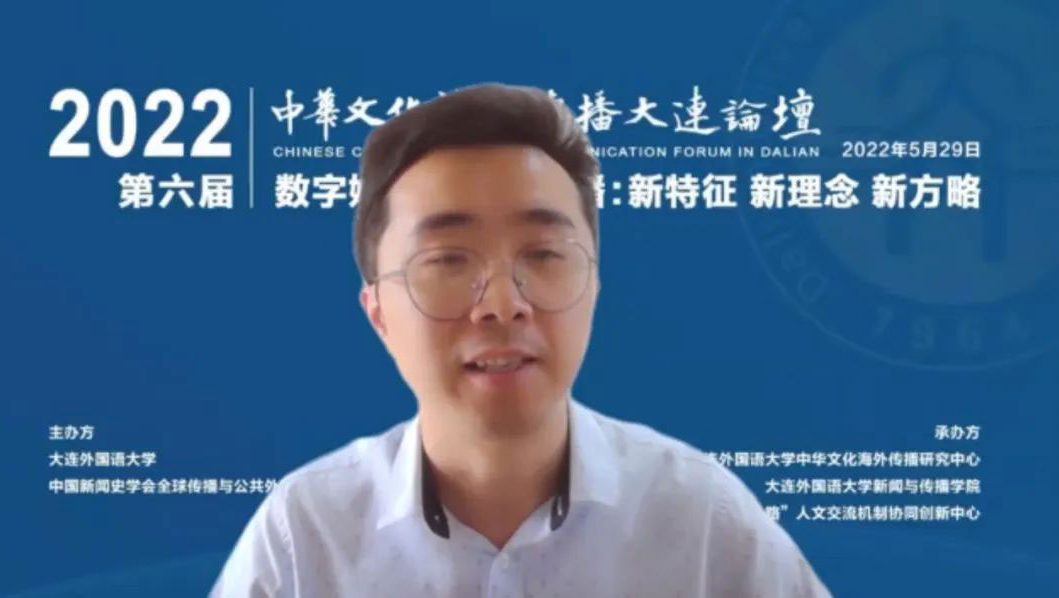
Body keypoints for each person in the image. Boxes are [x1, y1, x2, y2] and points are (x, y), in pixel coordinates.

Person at [209, 82, 833, 598]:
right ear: (379, 316)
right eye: (447, 261)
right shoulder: (304, 536)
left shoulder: (703, 521)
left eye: (543, 254)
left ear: (594, 288)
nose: (503, 304)